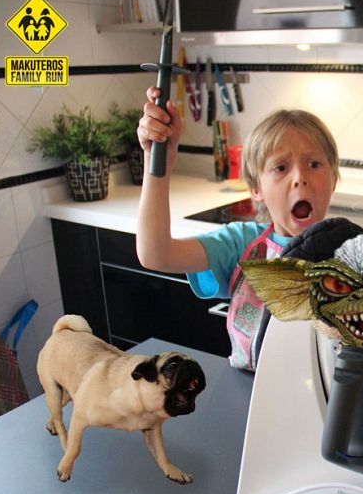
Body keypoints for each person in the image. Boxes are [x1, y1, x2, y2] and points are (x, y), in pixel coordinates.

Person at [136, 87, 340, 370]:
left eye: (314, 164)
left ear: (334, 177)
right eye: (280, 168)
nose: (299, 178)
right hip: (251, 391)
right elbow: (155, 254)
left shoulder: (351, 253)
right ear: (256, 188)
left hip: (325, 401)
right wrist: (157, 162)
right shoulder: (242, 245)